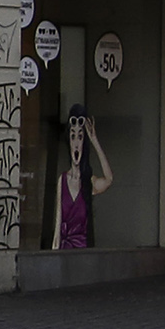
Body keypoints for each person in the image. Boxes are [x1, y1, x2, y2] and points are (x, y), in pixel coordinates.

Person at [52, 105, 114, 250]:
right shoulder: (62, 180)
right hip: (64, 253)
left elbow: (108, 179)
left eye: (80, 137)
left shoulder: (88, 181)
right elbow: (57, 226)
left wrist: (94, 141)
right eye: (73, 137)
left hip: (83, 253)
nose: (76, 144)